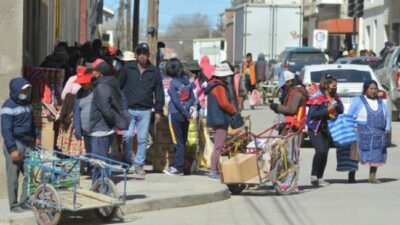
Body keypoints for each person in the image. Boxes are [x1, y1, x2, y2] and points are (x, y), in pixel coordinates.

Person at [119, 42, 165, 175]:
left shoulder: (154, 71)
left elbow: (159, 91)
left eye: (144, 54)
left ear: (148, 55)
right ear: (136, 55)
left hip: (145, 110)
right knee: (127, 136)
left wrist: (158, 110)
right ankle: (127, 160)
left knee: (142, 138)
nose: (142, 57)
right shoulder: (128, 68)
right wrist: (119, 105)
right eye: (140, 54)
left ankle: (139, 164)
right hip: (129, 109)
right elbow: (119, 87)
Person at [1, 78, 40, 213]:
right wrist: (12, 149)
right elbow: (6, 130)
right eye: (24, 90)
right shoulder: (8, 106)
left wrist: (36, 136)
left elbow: (32, 122)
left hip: (28, 143)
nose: (27, 93)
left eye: (28, 90)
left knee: (30, 174)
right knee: (13, 176)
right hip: (15, 144)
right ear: (16, 91)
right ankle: (13, 204)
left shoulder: (28, 103)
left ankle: (25, 201)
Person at [85, 58, 125, 183]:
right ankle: (100, 185)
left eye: (93, 69)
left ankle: (100, 186)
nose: (91, 71)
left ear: (99, 73)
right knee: (101, 159)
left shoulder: (102, 86)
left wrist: (113, 121)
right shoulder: (108, 83)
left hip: (100, 129)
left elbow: (106, 110)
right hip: (104, 128)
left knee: (98, 162)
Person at [269, 71, 308, 190]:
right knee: (286, 154)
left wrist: (276, 107)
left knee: (292, 155)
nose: (283, 88)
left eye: (284, 84)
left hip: (294, 127)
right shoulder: (291, 91)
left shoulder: (297, 92)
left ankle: (292, 182)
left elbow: (291, 110)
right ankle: (288, 180)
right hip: (288, 126)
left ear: (290, 82)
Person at [347, 80, 390, 184]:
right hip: (360, 132)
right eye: (371, 89)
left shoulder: (380, 102)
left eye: (375, 89)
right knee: (356, 155)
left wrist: (387, 128)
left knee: (376, 154)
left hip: (378, 133)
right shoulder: (359, 100)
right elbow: (349, 115)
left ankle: (372, 177)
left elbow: (387, 116)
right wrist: (351, 128)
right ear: (365, 89)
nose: (373, 91)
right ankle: (352, 175)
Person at [306, 74, 343, 186]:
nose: (335, 89)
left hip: (327, 128)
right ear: (326, 86)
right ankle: (313, 175)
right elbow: (313, 115)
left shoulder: (334, 97)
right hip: (315, 128)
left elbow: (341, 110)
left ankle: (320, 177)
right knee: (320, 151)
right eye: (333, 87)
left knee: (325, 152)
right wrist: (327, 110)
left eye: (336, 87)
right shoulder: (317, 97)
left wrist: (334, 103)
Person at [162, 58, 195, 176]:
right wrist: (186, 110)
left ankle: (178, 167)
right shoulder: (188, 81)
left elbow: (176, 102)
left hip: (176, 114)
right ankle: (181, 165)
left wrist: (184, 111)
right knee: (183, 141)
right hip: (186, 115)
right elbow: (193, 99)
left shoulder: (173, 84)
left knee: (178, 142)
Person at [205, 63, 238, 180]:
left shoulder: (212, 85)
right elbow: (224, 104)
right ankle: (213, 171)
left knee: (217, 146)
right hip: (220, 119)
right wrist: (234, 111)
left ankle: (215, 169)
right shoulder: (219, 87)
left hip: (215, 118)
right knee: (218, 147)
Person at [73, 68, 94, 174]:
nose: (83, 85)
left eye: (84, 83)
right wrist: (77, 129)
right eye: (81, 84)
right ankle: (91, 170)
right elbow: (76, 112)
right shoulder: (79, 93)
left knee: (97, 154)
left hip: (97, 130)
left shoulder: (97, 91)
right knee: (89, 153)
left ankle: (97, 174)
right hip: (86, 131)